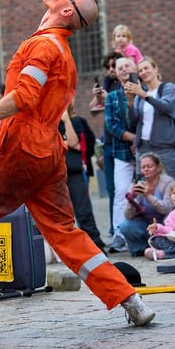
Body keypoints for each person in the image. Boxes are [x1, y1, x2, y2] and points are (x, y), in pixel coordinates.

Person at [0, 0, 153, 342]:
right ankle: (130, 299)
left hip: (22, 150)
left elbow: (22, 98)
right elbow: (34, 112)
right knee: (65, 232)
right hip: (47, 152)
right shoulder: (61, 51)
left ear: (66, 9)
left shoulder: (44, 45)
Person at [125, 57, 175, 180]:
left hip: (164, 147)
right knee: (143, 184)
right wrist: (130, 100)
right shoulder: (140, 95)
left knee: (172, 183)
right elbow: (133, 121)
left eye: (146, 68)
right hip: (143, 147)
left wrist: (143, 94)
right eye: (140, 70)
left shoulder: (167, 88)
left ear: (155, 69)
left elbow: (165, 106)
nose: (143, 72)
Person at [104, 56, 139, 253]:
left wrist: (139, 140)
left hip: (146, 151)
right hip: (121, 152)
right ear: (116, 74)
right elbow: (111, 125)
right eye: (120, 67)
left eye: (127, 65)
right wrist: (133, 139)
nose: (125, 69)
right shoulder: (111, 97)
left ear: (134, 67)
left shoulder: (143, 92)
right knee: (121, 193)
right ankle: (119, 234)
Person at [59, 105, 105, 250]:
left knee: (84, 211)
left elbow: (74, 143)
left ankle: (96, 247)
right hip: (53, 174)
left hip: (74, 171)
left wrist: (66, 121)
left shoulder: (76, 122)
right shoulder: (45, 122)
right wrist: (62, 143)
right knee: (60, 215)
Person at [90, 53, 124, 237]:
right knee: (111, 189)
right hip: (108, 143)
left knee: (122, 189)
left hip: (122, 144)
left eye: (114, 65)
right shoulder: (107, 83)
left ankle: (121, 228)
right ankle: (113, 228)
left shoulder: (126, 83)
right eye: (108, 66)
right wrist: (97, 98)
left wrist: (108, 96)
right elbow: (93, 112)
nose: (111, 69)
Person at [117, 153, 175, 256]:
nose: (146, 169)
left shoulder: (168, 182)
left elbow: (167, 208)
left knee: (167, 220)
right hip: (145, 224)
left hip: (164, 223)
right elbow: (128, 216)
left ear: (158, 167)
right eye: (143, 167)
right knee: (125, 226)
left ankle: (163, 247)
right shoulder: (137, 184)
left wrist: (148, 196)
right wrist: (132, 199)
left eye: (150, 166)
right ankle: (142, 249)